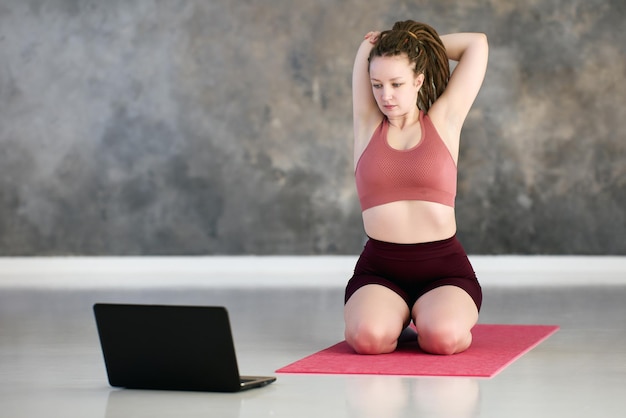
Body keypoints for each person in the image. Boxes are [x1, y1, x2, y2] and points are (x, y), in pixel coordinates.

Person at [344, 20, 488, 355]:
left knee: (443, 339)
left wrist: (412, 42)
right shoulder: (367, 124)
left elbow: (476, 44)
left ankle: (428, 320)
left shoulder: (444, 120)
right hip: (381, 268)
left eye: (396, 83)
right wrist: (374, 44)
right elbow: (364, 52)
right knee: (368, 340)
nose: (386, 95)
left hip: (443, 270)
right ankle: (397, 322)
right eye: (377, 85)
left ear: (418, 80)